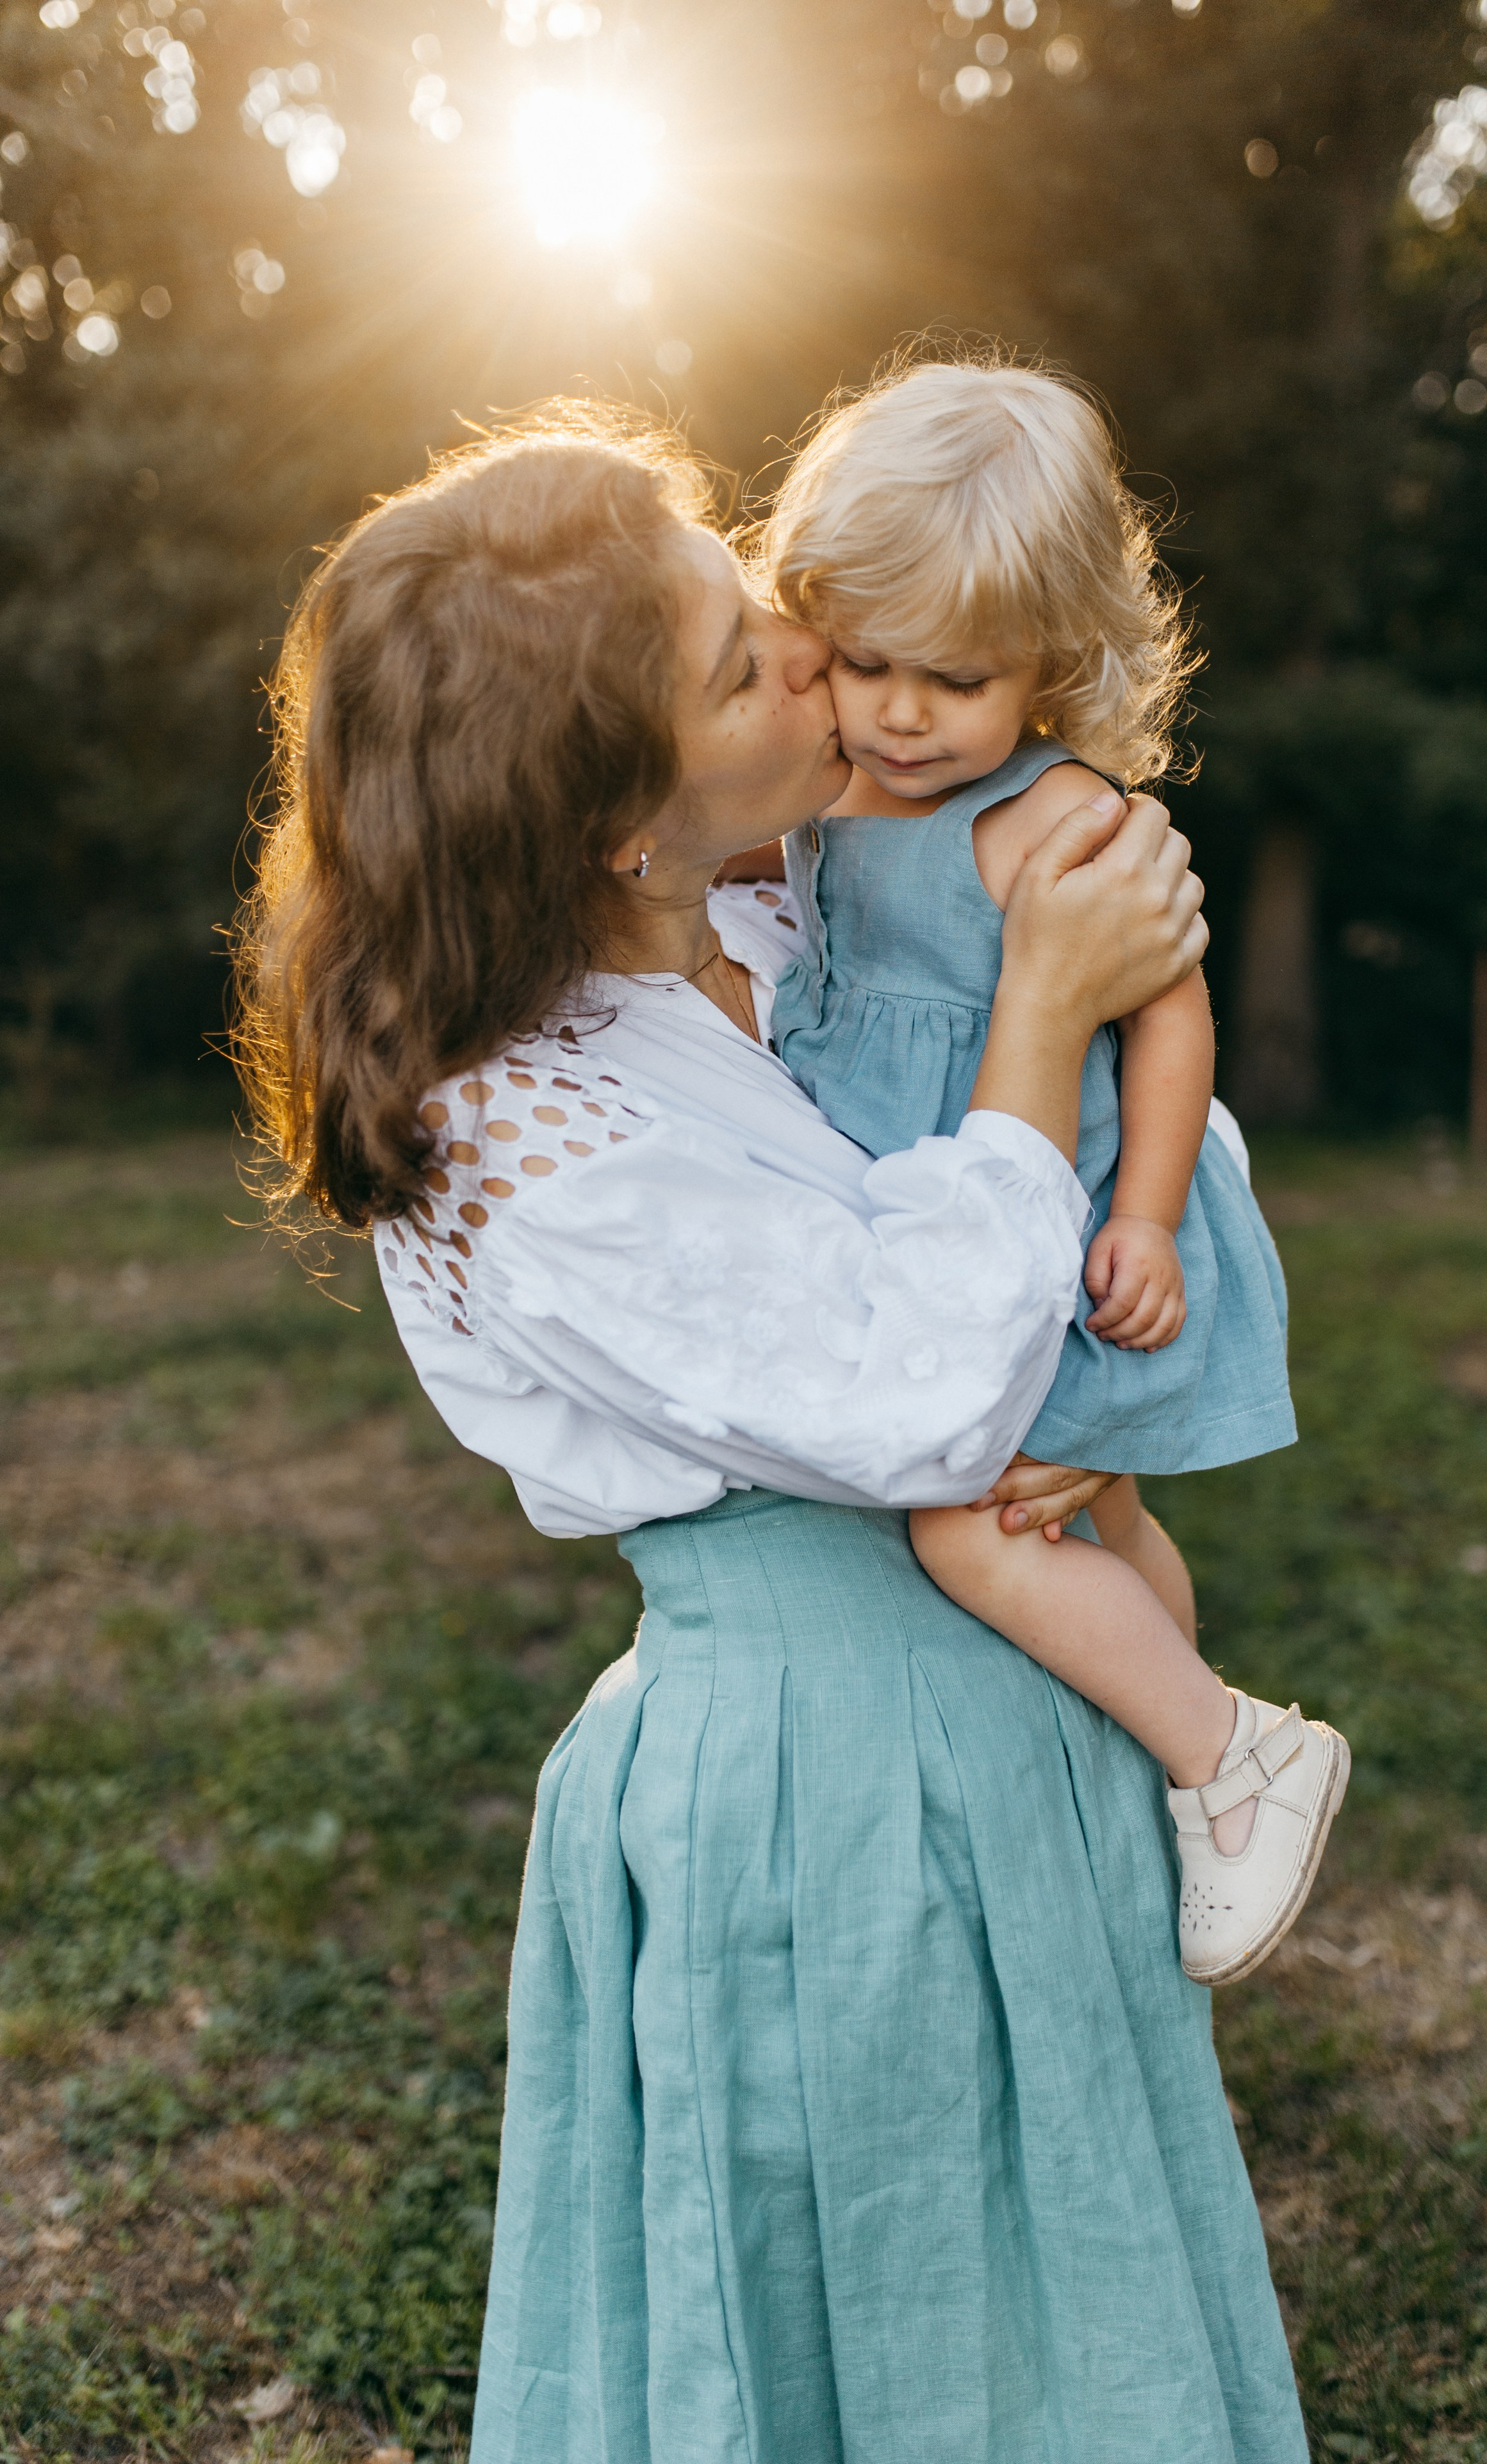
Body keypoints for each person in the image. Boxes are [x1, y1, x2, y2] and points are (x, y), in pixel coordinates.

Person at [234, 401, 1311, 2463]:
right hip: (821, 1792)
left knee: (1051, 2291)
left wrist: (1105, 1013)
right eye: (750, 660)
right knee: (863, 2309)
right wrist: (1045, 1007)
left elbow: (1067, 1160)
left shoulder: (779, 919)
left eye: (763, 605)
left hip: (1024, 1727)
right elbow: (914, 1393)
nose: (818, 667)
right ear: (608, 821)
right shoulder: (521, 1138)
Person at [762, 354, 1348, 1984]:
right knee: (1100, 1510)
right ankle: (1167, 1736)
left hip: (1068, 1224)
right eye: (861, 660)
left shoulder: (1056, 821)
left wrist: (1149, 1215)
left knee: (973, 1523)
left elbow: (1171, 1024)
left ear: (1052, 658)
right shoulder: (832, 787)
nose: (892, 711)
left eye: (949, 680)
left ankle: (1228, 1752)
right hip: (941, 1217)